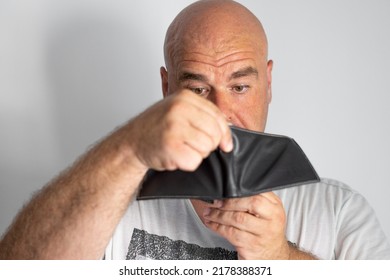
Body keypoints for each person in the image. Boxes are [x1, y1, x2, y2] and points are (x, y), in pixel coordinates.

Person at [0, 0, 389, 260]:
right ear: (166, 88)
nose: (221, 114)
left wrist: (280, 258)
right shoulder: (111, 200)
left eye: (239, 87)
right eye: (198, 89)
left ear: (268, 82)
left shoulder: (339, 213)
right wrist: (129, 148)